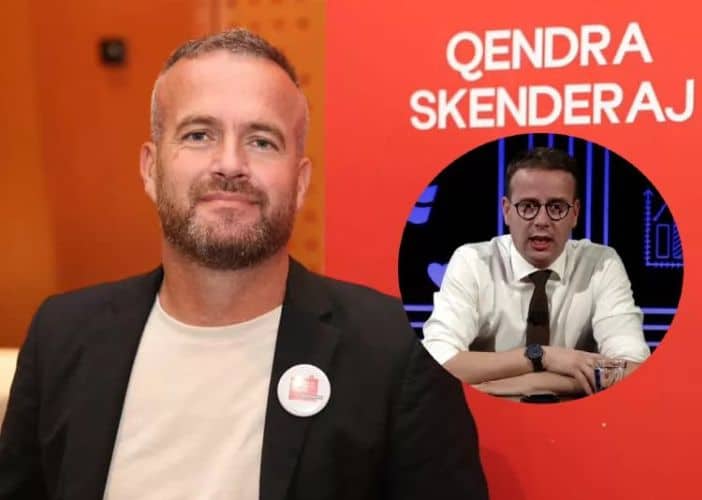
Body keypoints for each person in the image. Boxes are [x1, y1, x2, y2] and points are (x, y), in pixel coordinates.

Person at [0, 29, 487, 500]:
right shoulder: (60, 336)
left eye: (262, 141)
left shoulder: (397, 354)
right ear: (151, 169)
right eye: (198, 135)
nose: (230, 164)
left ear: (299, 182)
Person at [422, 147, 649, 397]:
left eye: (557, 207)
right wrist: (542, 356)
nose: (542, 220)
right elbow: (437, 363)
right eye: (528, 206)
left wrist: (532, 384)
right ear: (506, 211)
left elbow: (632, 368)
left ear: (575, 214)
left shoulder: (601, 264)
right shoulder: (472, 261)